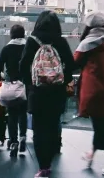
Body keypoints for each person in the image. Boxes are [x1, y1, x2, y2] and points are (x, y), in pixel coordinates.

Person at [20, 11, 75, 178]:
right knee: (52, 127)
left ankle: (42, 166)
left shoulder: (32, 41)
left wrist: (31, 84)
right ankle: (49, 162)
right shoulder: (61, 41)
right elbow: (71, 65)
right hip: (57, 94)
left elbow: (23, 66)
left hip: (37, 93)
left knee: (38, 129)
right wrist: (62, 81)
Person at [74, 12, 104, 177]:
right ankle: (91, 155)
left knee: (100, 127)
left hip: (92, 90)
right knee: (100, 124)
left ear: (89, 26)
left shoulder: (86, 43)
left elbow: (75, 62)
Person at [0, 24, 28, 156]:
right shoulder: (28, 47)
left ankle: (13, 141)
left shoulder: (7, 48)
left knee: (12, 115)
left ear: (11, 34)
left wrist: (1, 74)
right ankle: (23, 137)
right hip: (25, 86)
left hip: (11, 85)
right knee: (23, 113)